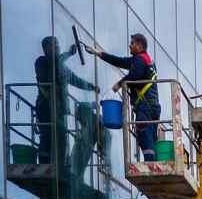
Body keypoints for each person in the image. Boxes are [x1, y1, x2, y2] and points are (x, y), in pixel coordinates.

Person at [87, 33, 160, 160]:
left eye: (132, 43)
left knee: (144, 135)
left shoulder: (140, 60)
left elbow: (135, 75)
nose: (130, 45)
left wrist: (119, 84)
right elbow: (119, 61)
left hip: (145, 106)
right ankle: (152, 162)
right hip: (152, 106)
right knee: (150, 136)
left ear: (139, 45)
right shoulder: (145, 60)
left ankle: (150, 165)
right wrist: (98, 53)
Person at [34, 37, 98, 169]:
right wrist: (69, 53)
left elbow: (75, 79)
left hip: (60, 110)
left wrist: (91, 87)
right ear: (46, 49)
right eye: (54, 45)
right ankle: (45, 166)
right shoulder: (41, 62)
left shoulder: (62, 67)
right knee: (47, 137)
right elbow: (53, 66)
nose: (57, 47)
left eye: (57, 44)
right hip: (46, 108)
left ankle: (61, 166)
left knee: (61, 139)